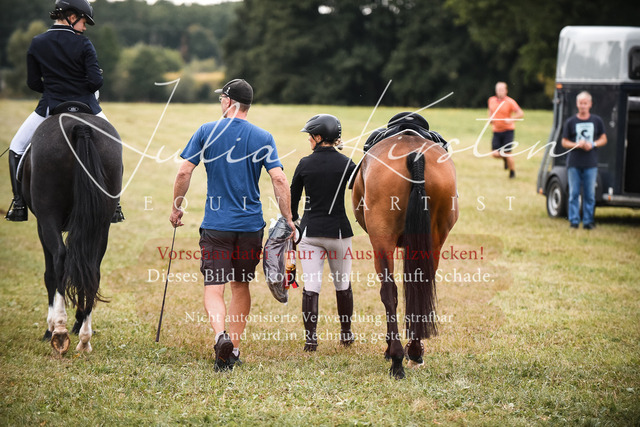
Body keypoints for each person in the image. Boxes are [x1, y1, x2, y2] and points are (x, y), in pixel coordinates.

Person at [169, 79, 295, 370]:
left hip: (217, 225)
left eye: (221, 99)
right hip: (250, 226)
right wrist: (288, 218)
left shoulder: (206, 131)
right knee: (240, 285)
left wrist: (176, 207)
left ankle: (219, 337)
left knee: (214, 286)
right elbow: (279, 178)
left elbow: (184, 172)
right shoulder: (263, 136)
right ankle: (233, 349)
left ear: (228, 101)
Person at [5, 0, 124, 222]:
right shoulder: (84, 44)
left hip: (50, 106)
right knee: (114, 143)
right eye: (83, 21)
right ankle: (115, 205)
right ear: (71, 16)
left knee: (16, 147)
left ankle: (19, 204)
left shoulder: (37, 42)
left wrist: (53, 89)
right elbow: (96, 82)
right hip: (87, 106)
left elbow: (33, 82)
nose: (85, 27)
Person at [290, 114, 357, 352]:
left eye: (310, 136)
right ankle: (346, 334)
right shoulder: (348, 163)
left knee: (311, 285)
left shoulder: (304, 163)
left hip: (310, 234)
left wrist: (294, 221)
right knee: (342, 283)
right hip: (339, 232)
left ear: (319, 137)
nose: (308, 139)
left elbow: (293, 197)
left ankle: (311, 339)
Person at [561, 91, 607, 229]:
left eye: (585, 103)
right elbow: (564, 142)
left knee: (590, 194)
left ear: (590, 104)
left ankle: (588, 221)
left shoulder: (596, 121)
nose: (583, 106)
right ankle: (574, 221)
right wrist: (576, 145)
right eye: (580, 103)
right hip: (574, 163)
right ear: (577, 104)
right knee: (574, 193)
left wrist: (592, 144)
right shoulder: (570, 122)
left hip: (590, 163)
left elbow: (604, 139)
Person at [488, 82, 524, 179]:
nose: (500, 92)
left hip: (508, 131)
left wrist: (511, 119)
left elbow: (520, 113)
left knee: (508, 153)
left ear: (506, 91)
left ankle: (512, 172)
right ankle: (505, 159)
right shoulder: (491, 100)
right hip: (496, 131)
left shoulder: (510, 102)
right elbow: (490, 111)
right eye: (498, 90)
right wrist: (490, 119)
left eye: (502, 90)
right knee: (494, 154)